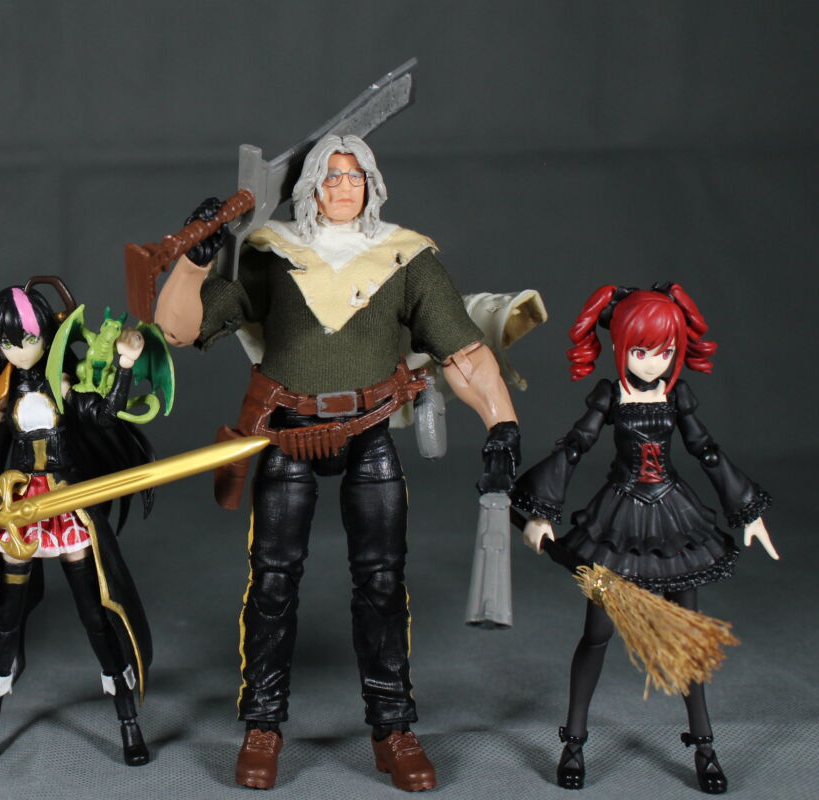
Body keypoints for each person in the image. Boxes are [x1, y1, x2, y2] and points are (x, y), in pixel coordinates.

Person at [153, 134, 519, 791]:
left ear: (372, 183)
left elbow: (462, 352)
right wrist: (192, 263)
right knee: (273, 583)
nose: (344, 186)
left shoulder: (404, 256)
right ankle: (263, 724)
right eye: (330, 176)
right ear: (310, 186)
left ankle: (393, 727)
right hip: (287, 433)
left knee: (382, 583)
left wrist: (502, 424)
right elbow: (179, 329)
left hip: (369, 432)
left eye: (355, 175)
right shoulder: (273, 252)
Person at [512, 283, 778, 794]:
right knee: (597, 633)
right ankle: (574, 741)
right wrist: (541, 511)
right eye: (641, 351)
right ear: (620, 347)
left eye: (665, 351)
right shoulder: (612, 394)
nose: (654, 363)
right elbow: (576, 445)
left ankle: (704, 746)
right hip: (617, 521)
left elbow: (706, 450)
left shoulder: (675, 394)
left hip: (676, 520)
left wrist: (747, 510)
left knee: (687, 638)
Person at [0, 278, 155, 768]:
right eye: (8, 342)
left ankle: (127, 720)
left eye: (29, 338)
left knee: (95, 610)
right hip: (18, 510)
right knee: (6, 618)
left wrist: (123, 366)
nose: (20, 350)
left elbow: (105, 416)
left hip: (67, 504)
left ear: (47, 333)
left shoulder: (64, 382)